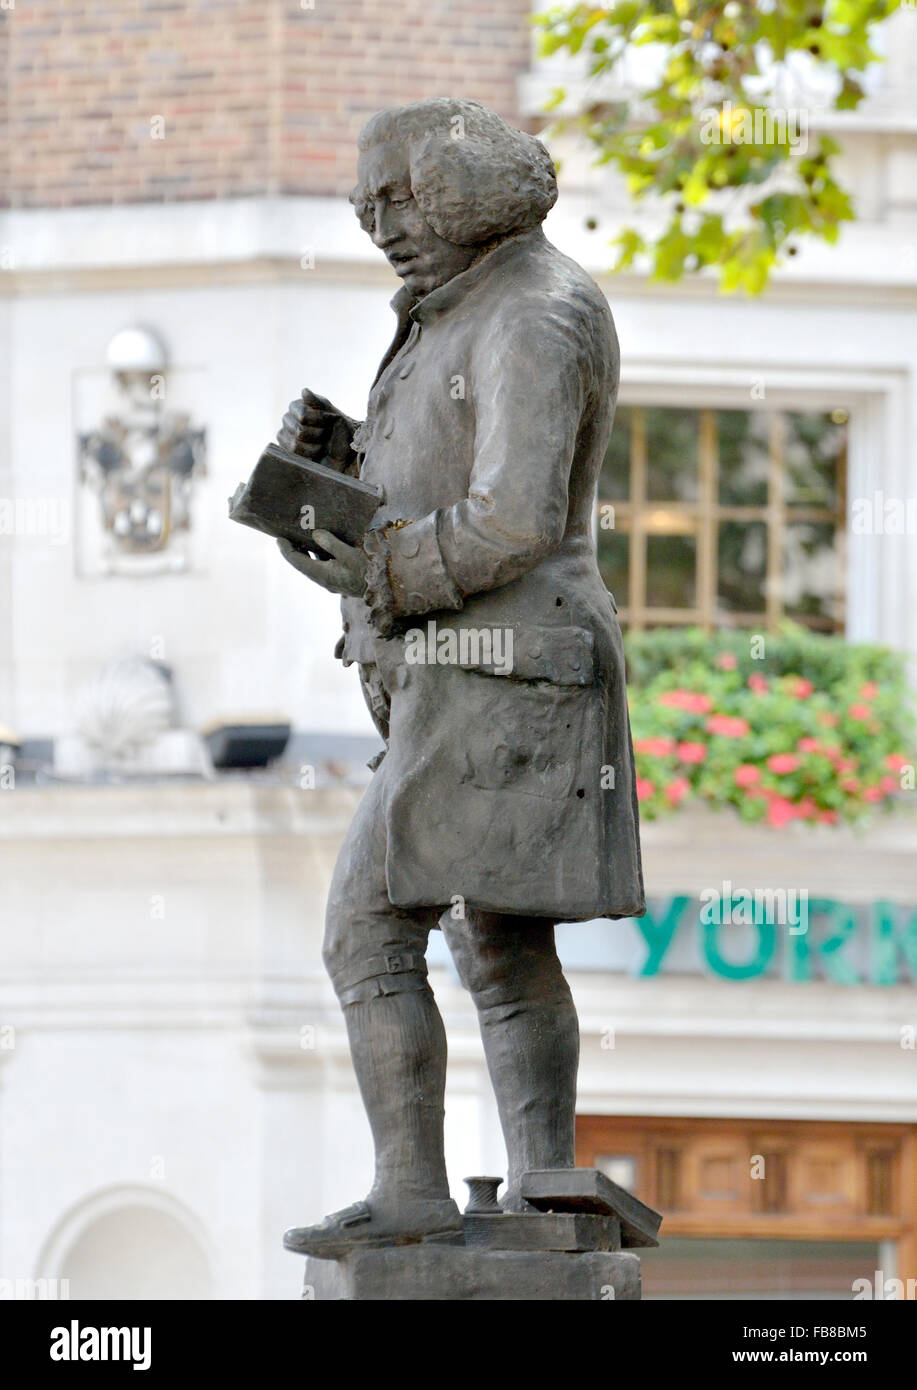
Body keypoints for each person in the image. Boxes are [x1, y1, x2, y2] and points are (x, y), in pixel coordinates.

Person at [278, 99, 645, 1257]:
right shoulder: (466, 306)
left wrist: (381, 558)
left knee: (368, 930)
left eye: (398, 202)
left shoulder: (532, 312)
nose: (378, 226)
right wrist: (328, 497)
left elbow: (515, 519)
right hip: (476, 672)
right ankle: (538, 1183)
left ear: (465, 194)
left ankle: (416, 1191)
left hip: (506, 670)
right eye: (364, 206)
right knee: (499, 940)